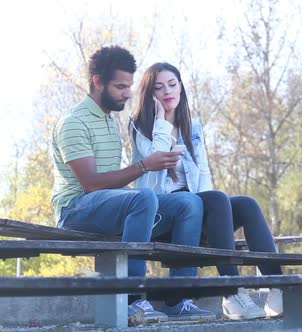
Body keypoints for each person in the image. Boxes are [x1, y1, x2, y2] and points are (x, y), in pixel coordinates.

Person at [51, 46, 215, 323]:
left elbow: (113, 187)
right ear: (98, 82)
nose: (127, 93)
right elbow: (90, 185)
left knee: (190, 202)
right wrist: (144, 166)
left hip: (107, 206)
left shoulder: (109, 122)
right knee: (144, 197)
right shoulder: (74, 122)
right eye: (120, 86)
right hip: (74, 210)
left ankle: (179, 298)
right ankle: (134, 298)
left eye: (129, 86)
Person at [130, 62, 284, 320]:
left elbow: (203, 174)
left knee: (245, 203)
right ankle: (233, 293)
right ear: (150, 95)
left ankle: (279, 289)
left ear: (181, 87)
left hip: (196, 209)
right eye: (158, 88)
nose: (167, 91)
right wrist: (161, 121)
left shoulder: (194, 127)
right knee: (213, 199)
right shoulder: (139, 127)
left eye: (172, 84)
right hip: (162, 212)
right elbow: (155, 166)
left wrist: (210, 213)